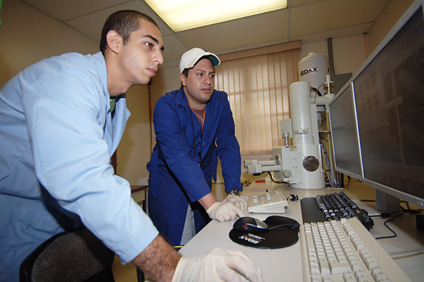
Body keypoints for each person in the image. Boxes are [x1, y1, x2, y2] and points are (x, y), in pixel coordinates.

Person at [0, 10, 263, 282]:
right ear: (115, 42)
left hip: (72, 226)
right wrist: (178, 269)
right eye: (149, 44)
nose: (160, 58)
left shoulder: (115, 103)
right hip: (19, 227)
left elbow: (228, 144)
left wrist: (232, 191)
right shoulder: (68, 80)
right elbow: (87, 182)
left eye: (161, 49)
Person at [147, 48, 248, 246]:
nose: (208, 80)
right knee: (180, 247)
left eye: (211, 75)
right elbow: (178, 155)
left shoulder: (220, 101)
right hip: (171, 185)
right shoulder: (166, 106)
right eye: (200, 74)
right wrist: (212, 205)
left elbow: (227, 145)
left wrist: (233, 192)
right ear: (183, 79)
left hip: (200, 181)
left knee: (203, 240)